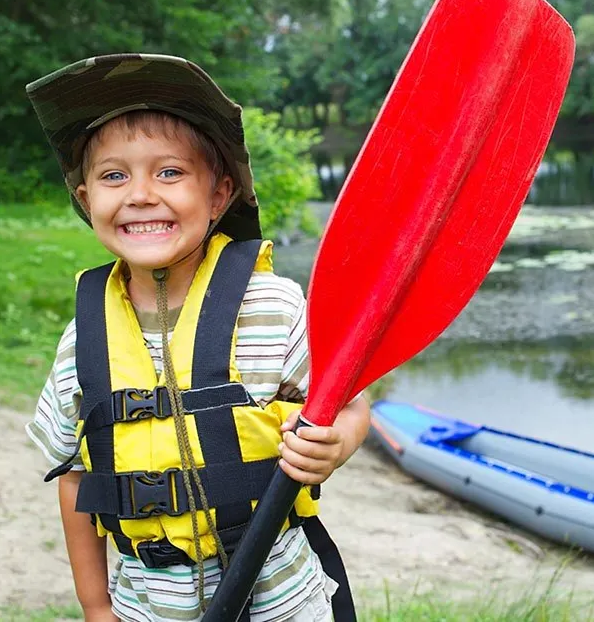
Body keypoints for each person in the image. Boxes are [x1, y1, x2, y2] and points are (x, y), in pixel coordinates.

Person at [23, 54, 370, 622]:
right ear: (87, 201)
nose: (139, 194)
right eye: (114, 175)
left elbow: (350, 403)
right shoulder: (82, 338)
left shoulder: (274, 306)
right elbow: (76, 478)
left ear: (218, 195)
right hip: (147, 607)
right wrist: (95, 606)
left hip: (282, 597)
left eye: (169, 172)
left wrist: (342, 440)